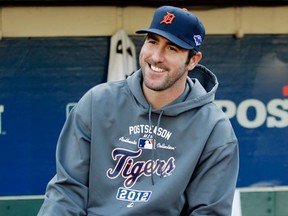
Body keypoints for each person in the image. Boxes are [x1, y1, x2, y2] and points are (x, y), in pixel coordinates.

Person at [38, 5, 239, 216]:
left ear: (193, 60)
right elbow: (67, 192)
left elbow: (209, 212)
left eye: (172, 48)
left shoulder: (214, 128)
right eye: (152, 42)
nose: (156, 57)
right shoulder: (97, 103)